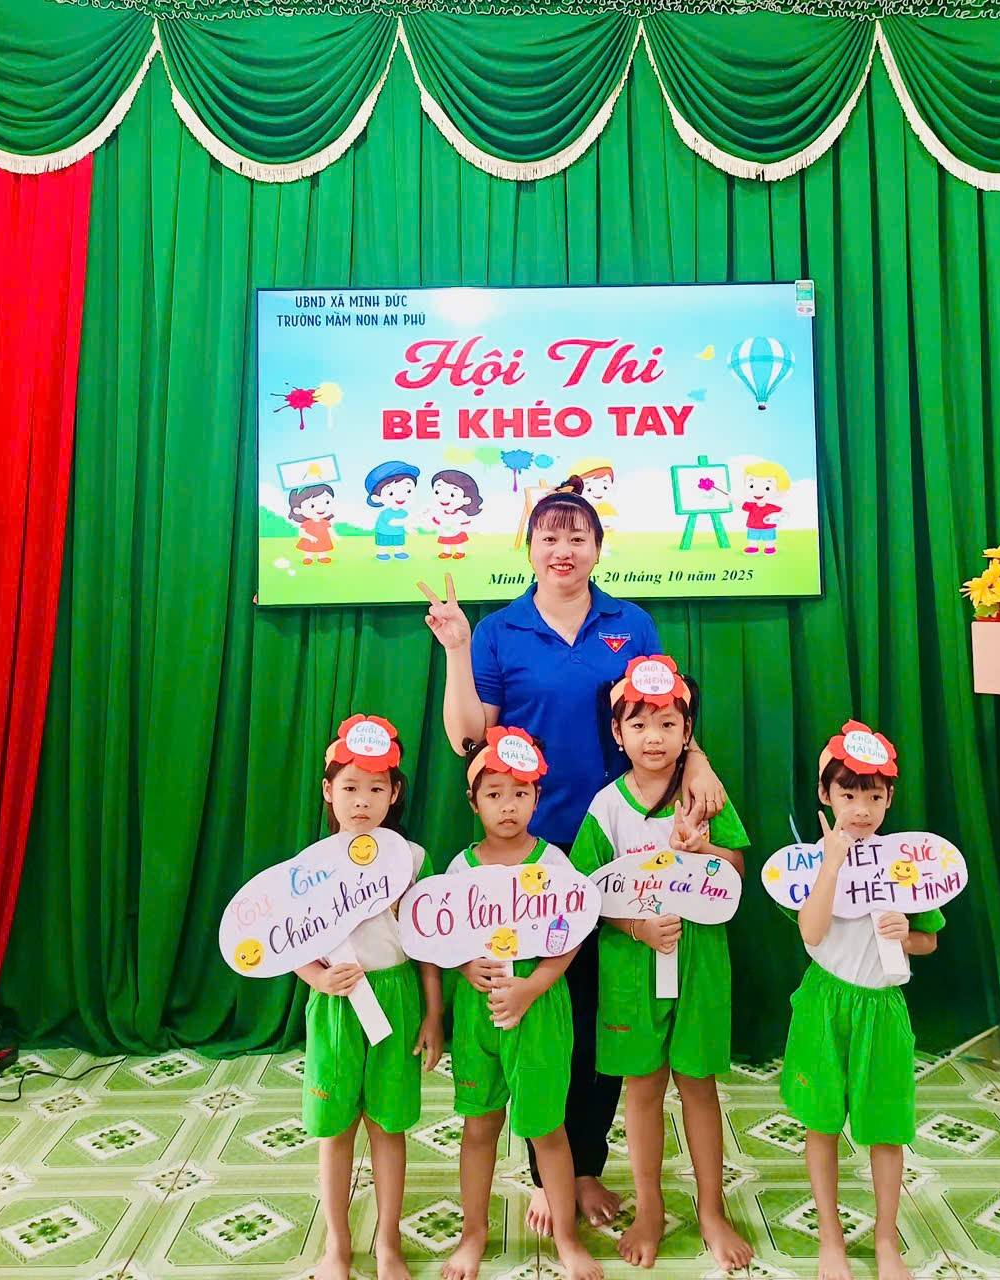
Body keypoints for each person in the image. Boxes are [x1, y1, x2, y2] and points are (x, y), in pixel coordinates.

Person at [417, 476, 730, 1233]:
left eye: (577, 537)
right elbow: (469, 738)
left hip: (619, 845)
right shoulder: (500, 631)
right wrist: (457, 649)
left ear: (597, 548)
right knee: (542, 1012)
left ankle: (581, 1166)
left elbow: (662, 712)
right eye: (550, 537)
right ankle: (545, 1171)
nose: (564, 550)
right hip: (532, 849)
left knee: (597, 1012)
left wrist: (698, 762)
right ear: (529, 548)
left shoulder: (631, 623)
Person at [569, 655, 754, 1274]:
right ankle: (649, 1210)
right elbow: (587, 894)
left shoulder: (705, 795)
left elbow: (736, 871)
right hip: (632, 965)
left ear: (687, 731)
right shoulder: (606, 807)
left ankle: (711, 1211)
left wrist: (704, 851)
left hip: (700, 964)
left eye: (669, 724)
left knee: (698, 1087)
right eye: (639, 724)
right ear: (617, 732)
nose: (654, 737)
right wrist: (636, 927)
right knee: (643, 1090)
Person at [780, 721, 945, 1280]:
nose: (860, 809)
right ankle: (830, 1238)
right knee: (821, 1123)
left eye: (873, 796)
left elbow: (929, 940)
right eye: (847, 795)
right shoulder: (807, 861)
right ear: (825, 795)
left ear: (889, 799)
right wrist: (832, 861)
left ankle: (885, 1239)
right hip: (825, 1004)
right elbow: (811, 931)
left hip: (883, 1008)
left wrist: (907, 934)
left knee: (885, 1126)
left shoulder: (905, 861)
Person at [441, 729, 601, 1280]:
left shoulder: (553, 862)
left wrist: (535, 985)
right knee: (479, 1127)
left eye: (519, 793)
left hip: (539, 1011)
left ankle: (567, 1239)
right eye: (494, 794)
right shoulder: (460, 869)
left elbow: (572, 934)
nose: (507, 805)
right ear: (474, 802)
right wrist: (466, 967)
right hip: (478, 1013)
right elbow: (445, 936)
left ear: (537, 798)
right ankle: (474, 1233)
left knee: (547, 1130)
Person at [297, 715, 444, 1280]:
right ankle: (336, 1245)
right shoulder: (310, 866)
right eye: (350, 787)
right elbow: (288, 939)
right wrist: (317, 979)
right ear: (328, 790)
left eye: (376, 788)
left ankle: (388, 1242)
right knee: (336, 1129)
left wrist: (433, 1012)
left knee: (388, 1125)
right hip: (337, 1004)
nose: (362, 800)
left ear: (394, 794)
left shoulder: (413, 859)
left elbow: (428, 944)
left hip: (397, 996)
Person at [365, 461, 419, 561]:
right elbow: (393, 522)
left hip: (398, 533)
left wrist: (409, 528)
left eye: (408, 490)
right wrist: (410, 519)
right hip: (384, 532)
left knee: (398, 543)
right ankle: (382, 553)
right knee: (383, 544)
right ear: (377, 498)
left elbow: (405, 524)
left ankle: (399, 552)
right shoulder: (385, 513)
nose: (401, 496)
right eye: (391, 493)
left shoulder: (404, 513)